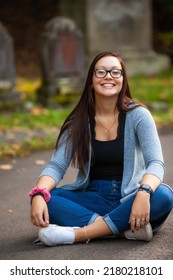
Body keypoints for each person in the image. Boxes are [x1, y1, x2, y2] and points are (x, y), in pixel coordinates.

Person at [29, 51, 173, 246]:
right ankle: (122, 230)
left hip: (131, 197)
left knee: (164, 195)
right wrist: (38, 193)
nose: (108, 76)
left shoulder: (139, 115)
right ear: (91, 80)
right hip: (94, 196)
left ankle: (78, 234)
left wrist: (144, 192)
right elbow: (56, 166)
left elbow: (155, 163)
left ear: (123, 79)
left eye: (115, 72)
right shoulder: (77, 122)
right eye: (101, 72)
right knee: (48, 199)